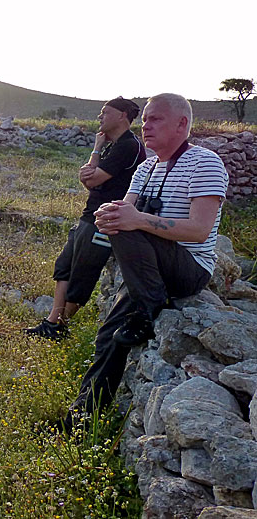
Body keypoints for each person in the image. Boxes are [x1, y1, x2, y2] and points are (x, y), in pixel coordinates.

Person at [59, 93, 229, 429]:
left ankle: (149, 305)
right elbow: (126, 210)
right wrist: (111, 213)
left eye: (156, 119)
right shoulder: (146, 167)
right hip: (149, 271)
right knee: (110, 334)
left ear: (182, 124)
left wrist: (134, 220)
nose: (146, 125)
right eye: (145, 118)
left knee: (127, 222)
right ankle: (80, 419)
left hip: (188, 268)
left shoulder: (205, 163)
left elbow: (198, 231)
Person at [25, 97, 146, 341]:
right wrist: (97, 148)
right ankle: (53, 322)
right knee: (65, 266)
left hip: (106, 220)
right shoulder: (113, 145)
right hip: (90, 215)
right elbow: (88, 180)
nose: (100, 116)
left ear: (123, 115)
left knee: (83, 273)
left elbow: (91, 180)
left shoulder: (128, 146)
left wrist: (95, 156)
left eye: (105, 112)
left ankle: (59, 326)